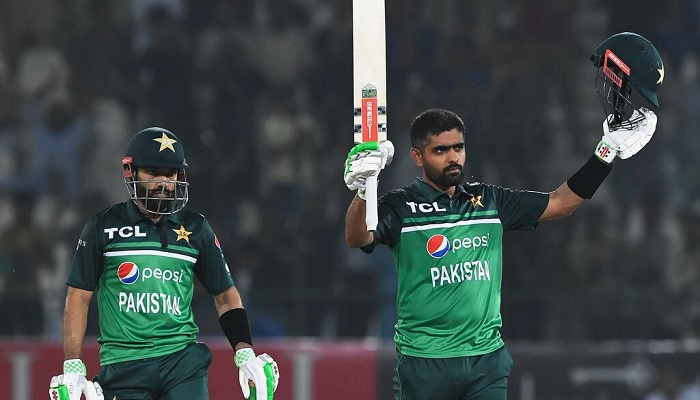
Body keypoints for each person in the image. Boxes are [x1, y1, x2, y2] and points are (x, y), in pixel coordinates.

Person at [343, 32, 663, 400]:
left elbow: (561, 203)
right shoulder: (400, 206)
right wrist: (363, 189)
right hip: (423, 363)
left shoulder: (490, 200)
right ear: (417, 157)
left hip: (485, 364)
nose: (453, 158)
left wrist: (606, 151)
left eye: (459, 148)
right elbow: (357, 238)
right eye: (441, 150)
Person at [48, 127, 279, 400]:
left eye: (170, 174)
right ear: (131, 173)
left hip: (183, 363)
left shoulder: (195, 228)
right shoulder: (103, 226)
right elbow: (78, 297)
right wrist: (72, 364)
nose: (163, 182)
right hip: (124, 366)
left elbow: (226, 296)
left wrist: (244, 351)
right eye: (153, 173)